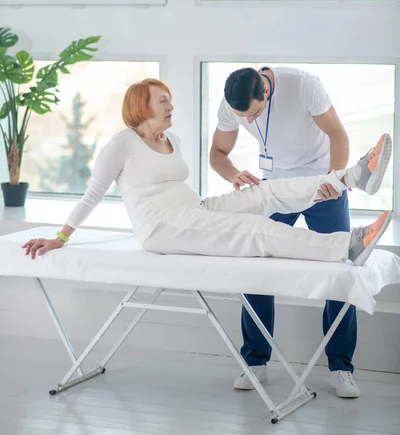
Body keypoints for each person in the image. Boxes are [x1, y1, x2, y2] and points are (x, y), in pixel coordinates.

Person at [23, 78, 391, 308]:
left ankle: (354, 176)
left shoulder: (173, 139)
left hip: (193, 210)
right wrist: (60, 237)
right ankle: (349, 246)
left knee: (266, 193)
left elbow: (178, 186)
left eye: (169, 99)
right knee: (257, 232)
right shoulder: (120, 145)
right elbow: (92, 195)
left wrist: (225, 190)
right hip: (163, 228)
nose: (171, 105)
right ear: (141, 106)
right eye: (162, 100)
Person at [209, 66, 392, 397]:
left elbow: (337, 133)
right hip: (276, 189)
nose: (248, 121)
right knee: (257, 267)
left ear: (265, 91)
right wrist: (233, 174)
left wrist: (333, 180)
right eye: (242, 117)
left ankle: (340, 367)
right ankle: (255, 360)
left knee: (342, 270)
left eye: (254, 113)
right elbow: (217, 154)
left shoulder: (303, 85)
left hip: (321, 185)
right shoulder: (233, 104)